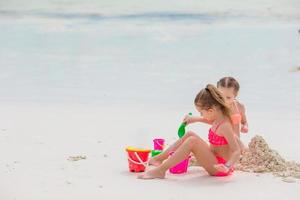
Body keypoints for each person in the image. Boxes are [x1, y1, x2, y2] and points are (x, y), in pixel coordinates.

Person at [139, 84, 240, 179]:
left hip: (220, 168)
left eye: (201, 113)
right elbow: (209, 121)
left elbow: (236, 150)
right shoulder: (218, 119)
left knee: (192, 141)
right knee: (190, 134)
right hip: (213, 159)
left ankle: (161, 170)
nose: (201, 115)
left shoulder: (225, 126)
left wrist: (227, 166)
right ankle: (159, 158)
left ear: (211, 111)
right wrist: (194, 119)